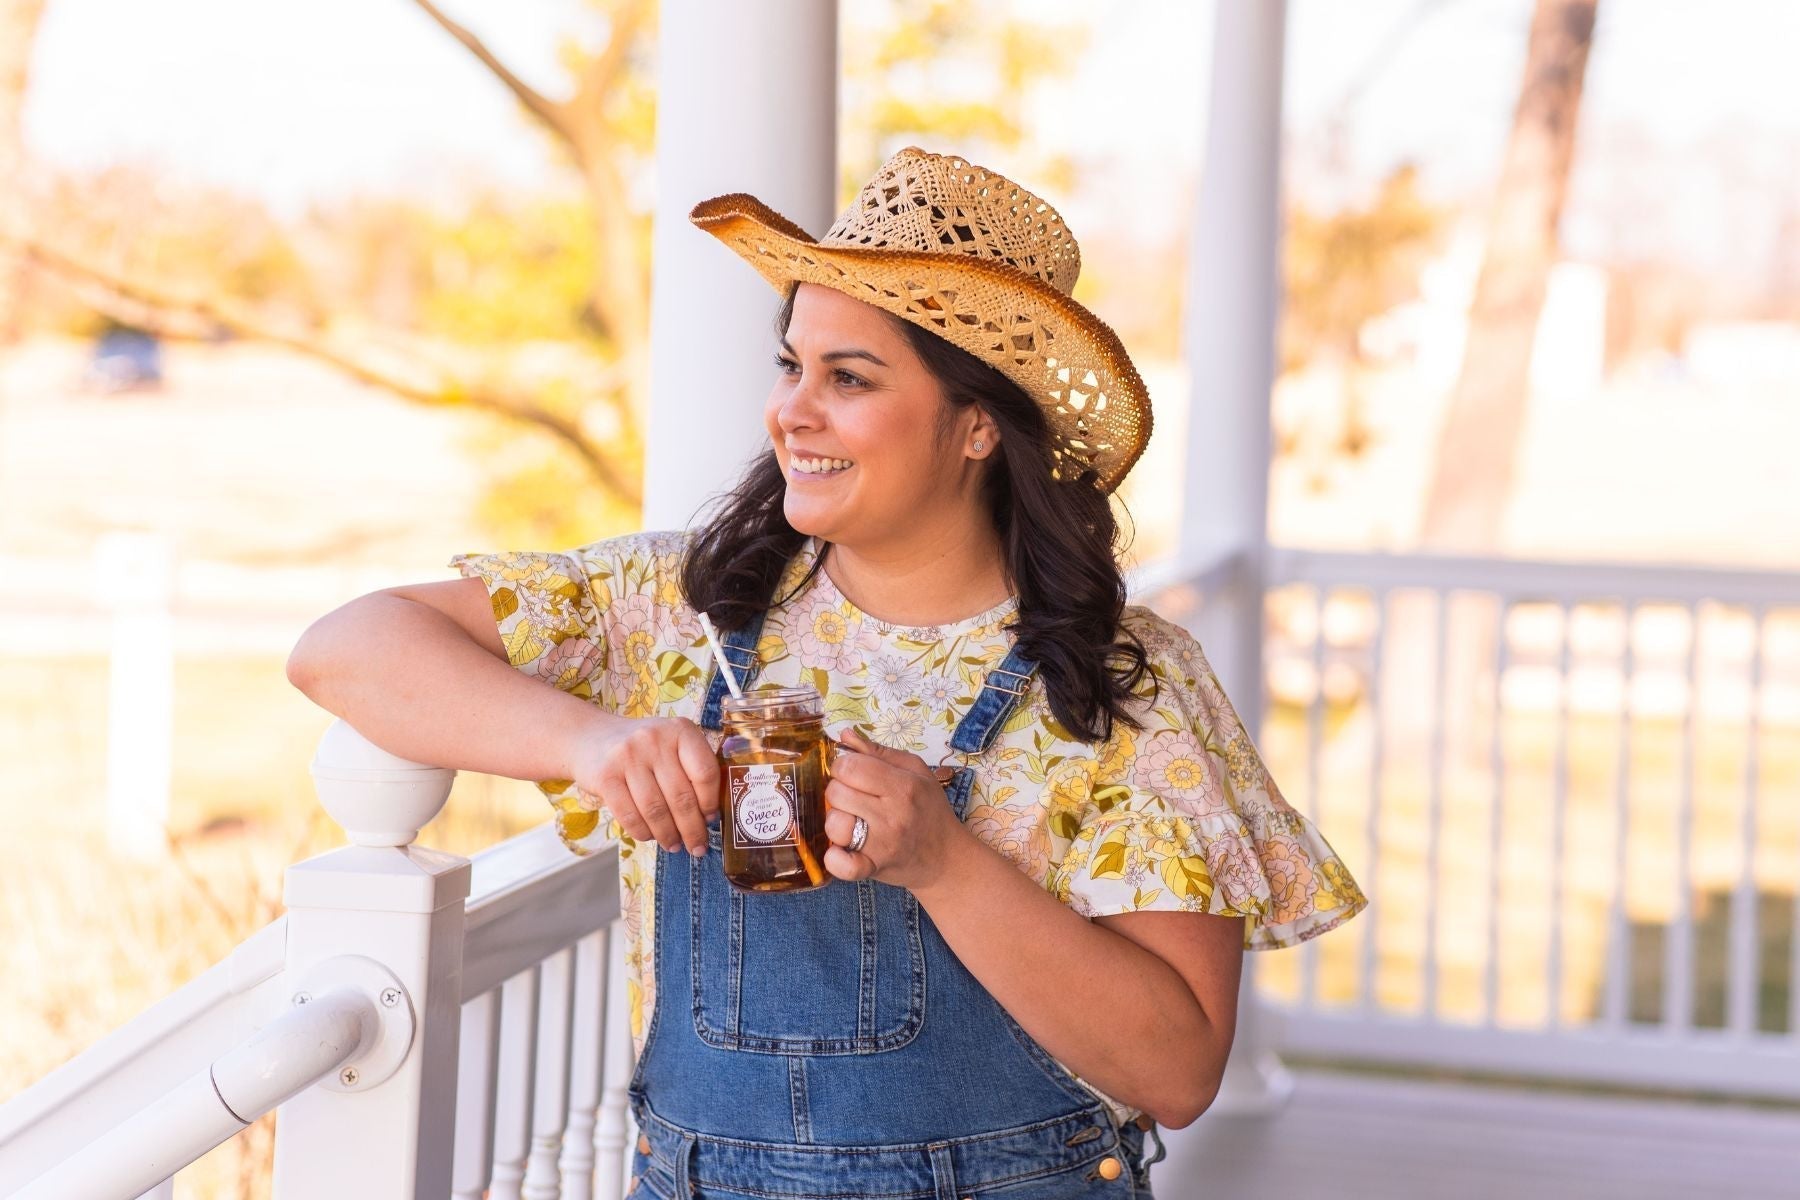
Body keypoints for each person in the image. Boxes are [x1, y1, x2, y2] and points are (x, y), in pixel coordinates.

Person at [287, 145, 1366, 1199]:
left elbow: (1177, 1075)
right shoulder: (683, 608)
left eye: (848, 378)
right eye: (792, 365)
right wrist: (595, 742)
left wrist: (944, 861)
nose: (792, 412)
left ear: (978, 424)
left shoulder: (1124, 683)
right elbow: (343, 649)